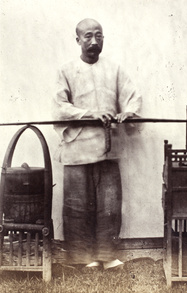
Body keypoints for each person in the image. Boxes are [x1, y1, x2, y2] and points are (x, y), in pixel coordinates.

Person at [52, 18, 142, 269]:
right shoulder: (66, 71)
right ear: (78, 40)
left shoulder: (115, 69)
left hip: (108, 147)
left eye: (99, 36)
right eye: (88, 36)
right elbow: (60, 107)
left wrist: (128, 113)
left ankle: (107, 255)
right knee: (76, 206)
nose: (94, 41)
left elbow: (132, 97)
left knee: (109, 205)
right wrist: (89, 114)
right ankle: (82, 257)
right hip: (77, 148)